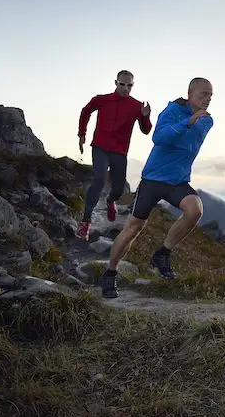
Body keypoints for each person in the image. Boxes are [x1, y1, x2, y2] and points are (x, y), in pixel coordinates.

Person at [100, 77, 214, 298]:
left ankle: (162, 253)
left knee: (195, 210)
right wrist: (188, 121)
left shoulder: (207, 121)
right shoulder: (171, 112)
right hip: (153, 179)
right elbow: (159, 138)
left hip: (178, 182)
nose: (208, 99)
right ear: (190, 93)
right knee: (133, 228)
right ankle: (110, 273)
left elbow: (186, 146)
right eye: (204, 94)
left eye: (210, 95)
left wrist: (194, 120)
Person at [77, 70, 152, 239]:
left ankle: (111, 201)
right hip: (100, 147)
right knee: (99, 179)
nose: (126, 89)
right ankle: (85, 222)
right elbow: (85, 111)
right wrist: (82, 133)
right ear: (116, 83)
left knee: (118, 188)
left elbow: (146, 130)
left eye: (130, 85)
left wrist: (145, 116)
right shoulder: (102, 100)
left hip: (119, 151)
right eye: (122, 84)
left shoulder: (136, 105)